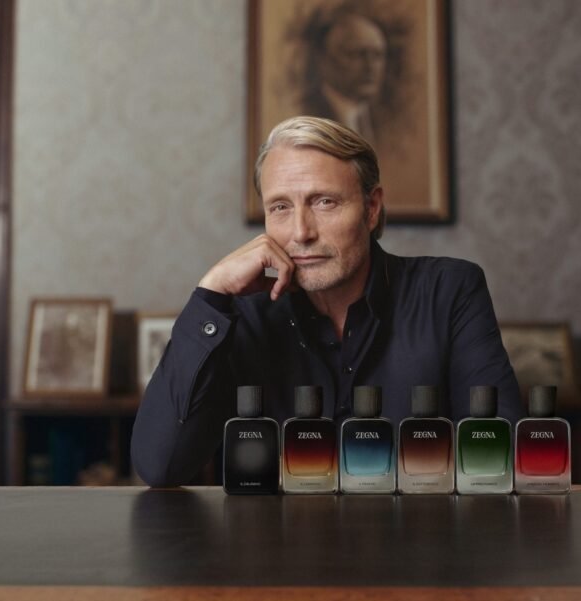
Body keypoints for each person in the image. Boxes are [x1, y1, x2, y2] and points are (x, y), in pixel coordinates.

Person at [131, 116, 521, 487]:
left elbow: (501, 455)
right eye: (280, 207)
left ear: (371, 209)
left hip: (416, 546)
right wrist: (210, 294)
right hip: (275, 552)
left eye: (324, 202)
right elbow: (160, 465)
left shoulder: (449, 290)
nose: (301, 232)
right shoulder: (242, 317)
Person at [299, 6, 390, 144]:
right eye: (356, 54)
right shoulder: (307, 114)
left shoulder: (383, 121)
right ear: (324, 60)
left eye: (377, 55)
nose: (370, 66)